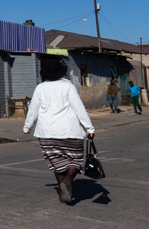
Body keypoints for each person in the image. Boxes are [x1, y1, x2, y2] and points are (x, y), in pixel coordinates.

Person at [23, 55, 95, 204]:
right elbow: (78, 108)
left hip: (47, 134)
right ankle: (68, 181)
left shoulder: (40, 88)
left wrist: (27, 126)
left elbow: (33, 109)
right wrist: (89, 127)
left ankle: (63, 191)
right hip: (70, 132)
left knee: (57, 162)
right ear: (61, 71)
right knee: (75, 159)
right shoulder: (68, 86)